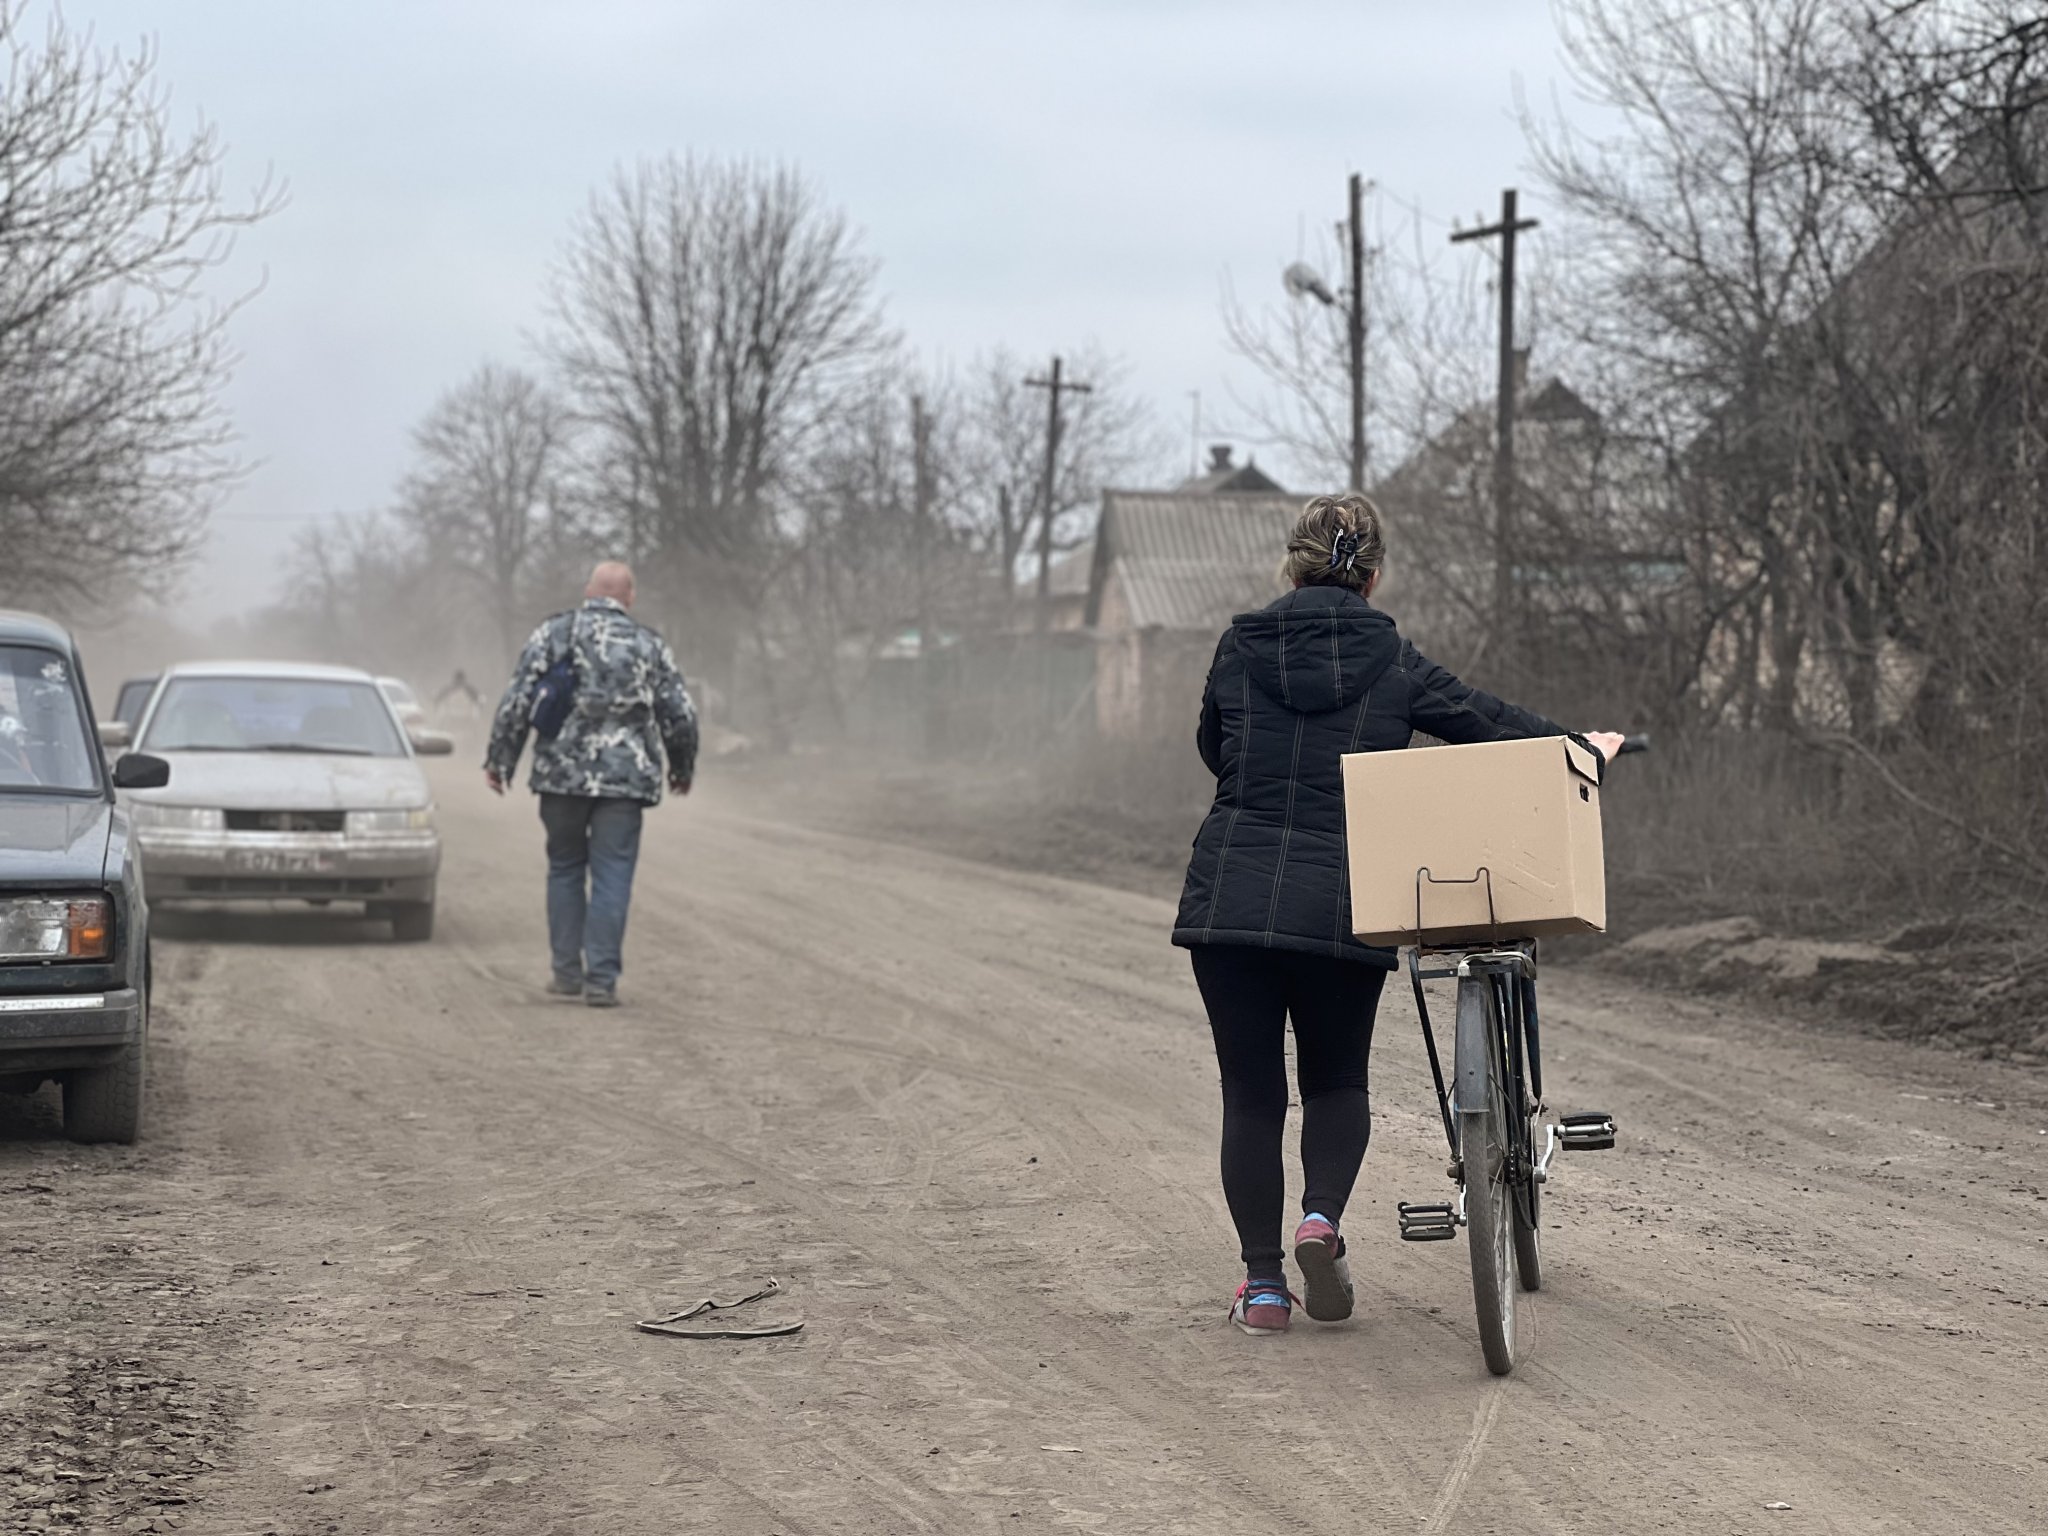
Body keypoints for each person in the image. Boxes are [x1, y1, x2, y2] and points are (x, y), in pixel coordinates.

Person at [1171, 494, 1623, 1336]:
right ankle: (1321, 1220)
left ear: (1292, 564)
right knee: (1337, 1078)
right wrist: (1581, 748)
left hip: (1229, 900)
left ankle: (1265, 1289)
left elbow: (1212, 749)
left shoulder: (1239, 649)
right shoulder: (1391, 660)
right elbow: (1489, 726)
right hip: (1342, 900)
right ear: (1374, 575)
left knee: (1251, 1092)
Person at [484, 561, 699, 1008]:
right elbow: (680, 713)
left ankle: (566, 975)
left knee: (564, 867)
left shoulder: (555, 633)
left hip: (560, 778)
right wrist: (681, 767)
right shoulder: (649, 644)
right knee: (612, 874)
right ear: (630, 596)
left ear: (588, 591)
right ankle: (601, 981)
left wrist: (500, 761)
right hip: (625, 781)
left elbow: (518, 700)